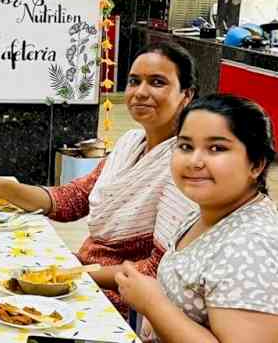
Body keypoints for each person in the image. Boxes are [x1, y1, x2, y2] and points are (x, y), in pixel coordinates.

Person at [0, 42, 199, 311]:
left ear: (186, 95)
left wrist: (67, 275)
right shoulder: (131, 143)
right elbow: (71, 199)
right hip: (84, 272)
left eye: (157, 82)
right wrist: (1, 187)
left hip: (122, 300)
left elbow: (156, 270)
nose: (141, 92)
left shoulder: (184, 166)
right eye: (134, 81)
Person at [116, 94, 278, 343]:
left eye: (217, 148)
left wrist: (152, 304)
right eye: (186, 146)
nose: (194, 161)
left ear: (255, 164)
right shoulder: (206, 211)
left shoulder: (251, 244)